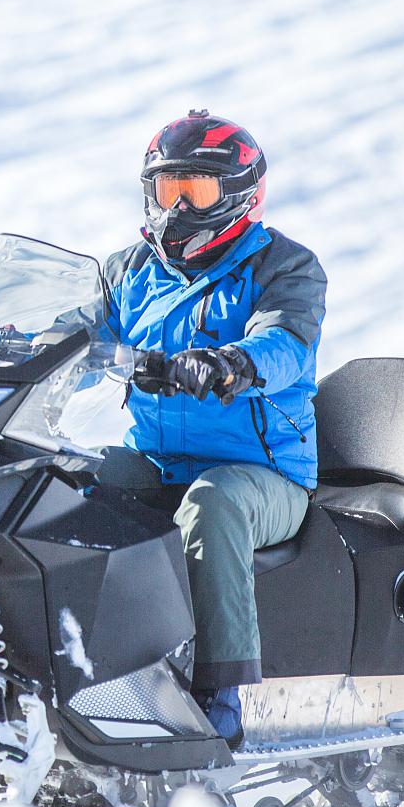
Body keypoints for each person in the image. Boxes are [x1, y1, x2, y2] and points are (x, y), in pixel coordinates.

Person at [98, 109, 326, 749]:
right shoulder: (128, 270)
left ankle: (219, 697)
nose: (175, 210)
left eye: (193, 192)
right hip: (159, 461)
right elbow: (79, 331)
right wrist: (13, 344)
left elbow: (288, 342)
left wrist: (235, 362)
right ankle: (76, 662)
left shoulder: (284, 266)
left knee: (212, 504)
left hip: (264, 478)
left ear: (237, 195)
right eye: (165, 191)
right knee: (68, 481)